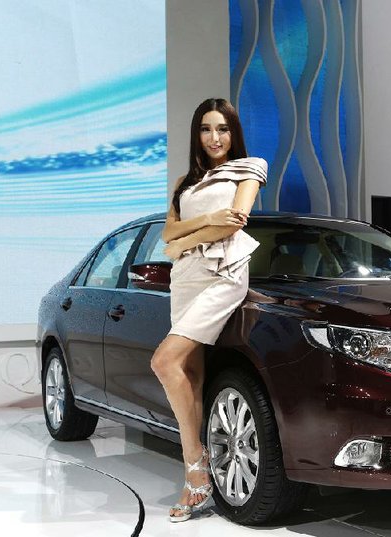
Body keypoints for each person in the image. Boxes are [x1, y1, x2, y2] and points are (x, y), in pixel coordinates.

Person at [150, 98, 266, 523]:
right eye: (205, 129)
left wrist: (192, 232)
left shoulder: (251, 167)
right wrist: (204, 222)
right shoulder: (184, 181)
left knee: (164, 361)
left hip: (223, 273)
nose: (214, 138)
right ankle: (195, 483)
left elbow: (234, 224)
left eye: (222, 129)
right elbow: (167, 235)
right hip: (185, 277)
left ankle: (197, 467)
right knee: (191, 378)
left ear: (233, 132)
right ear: (196, 135)